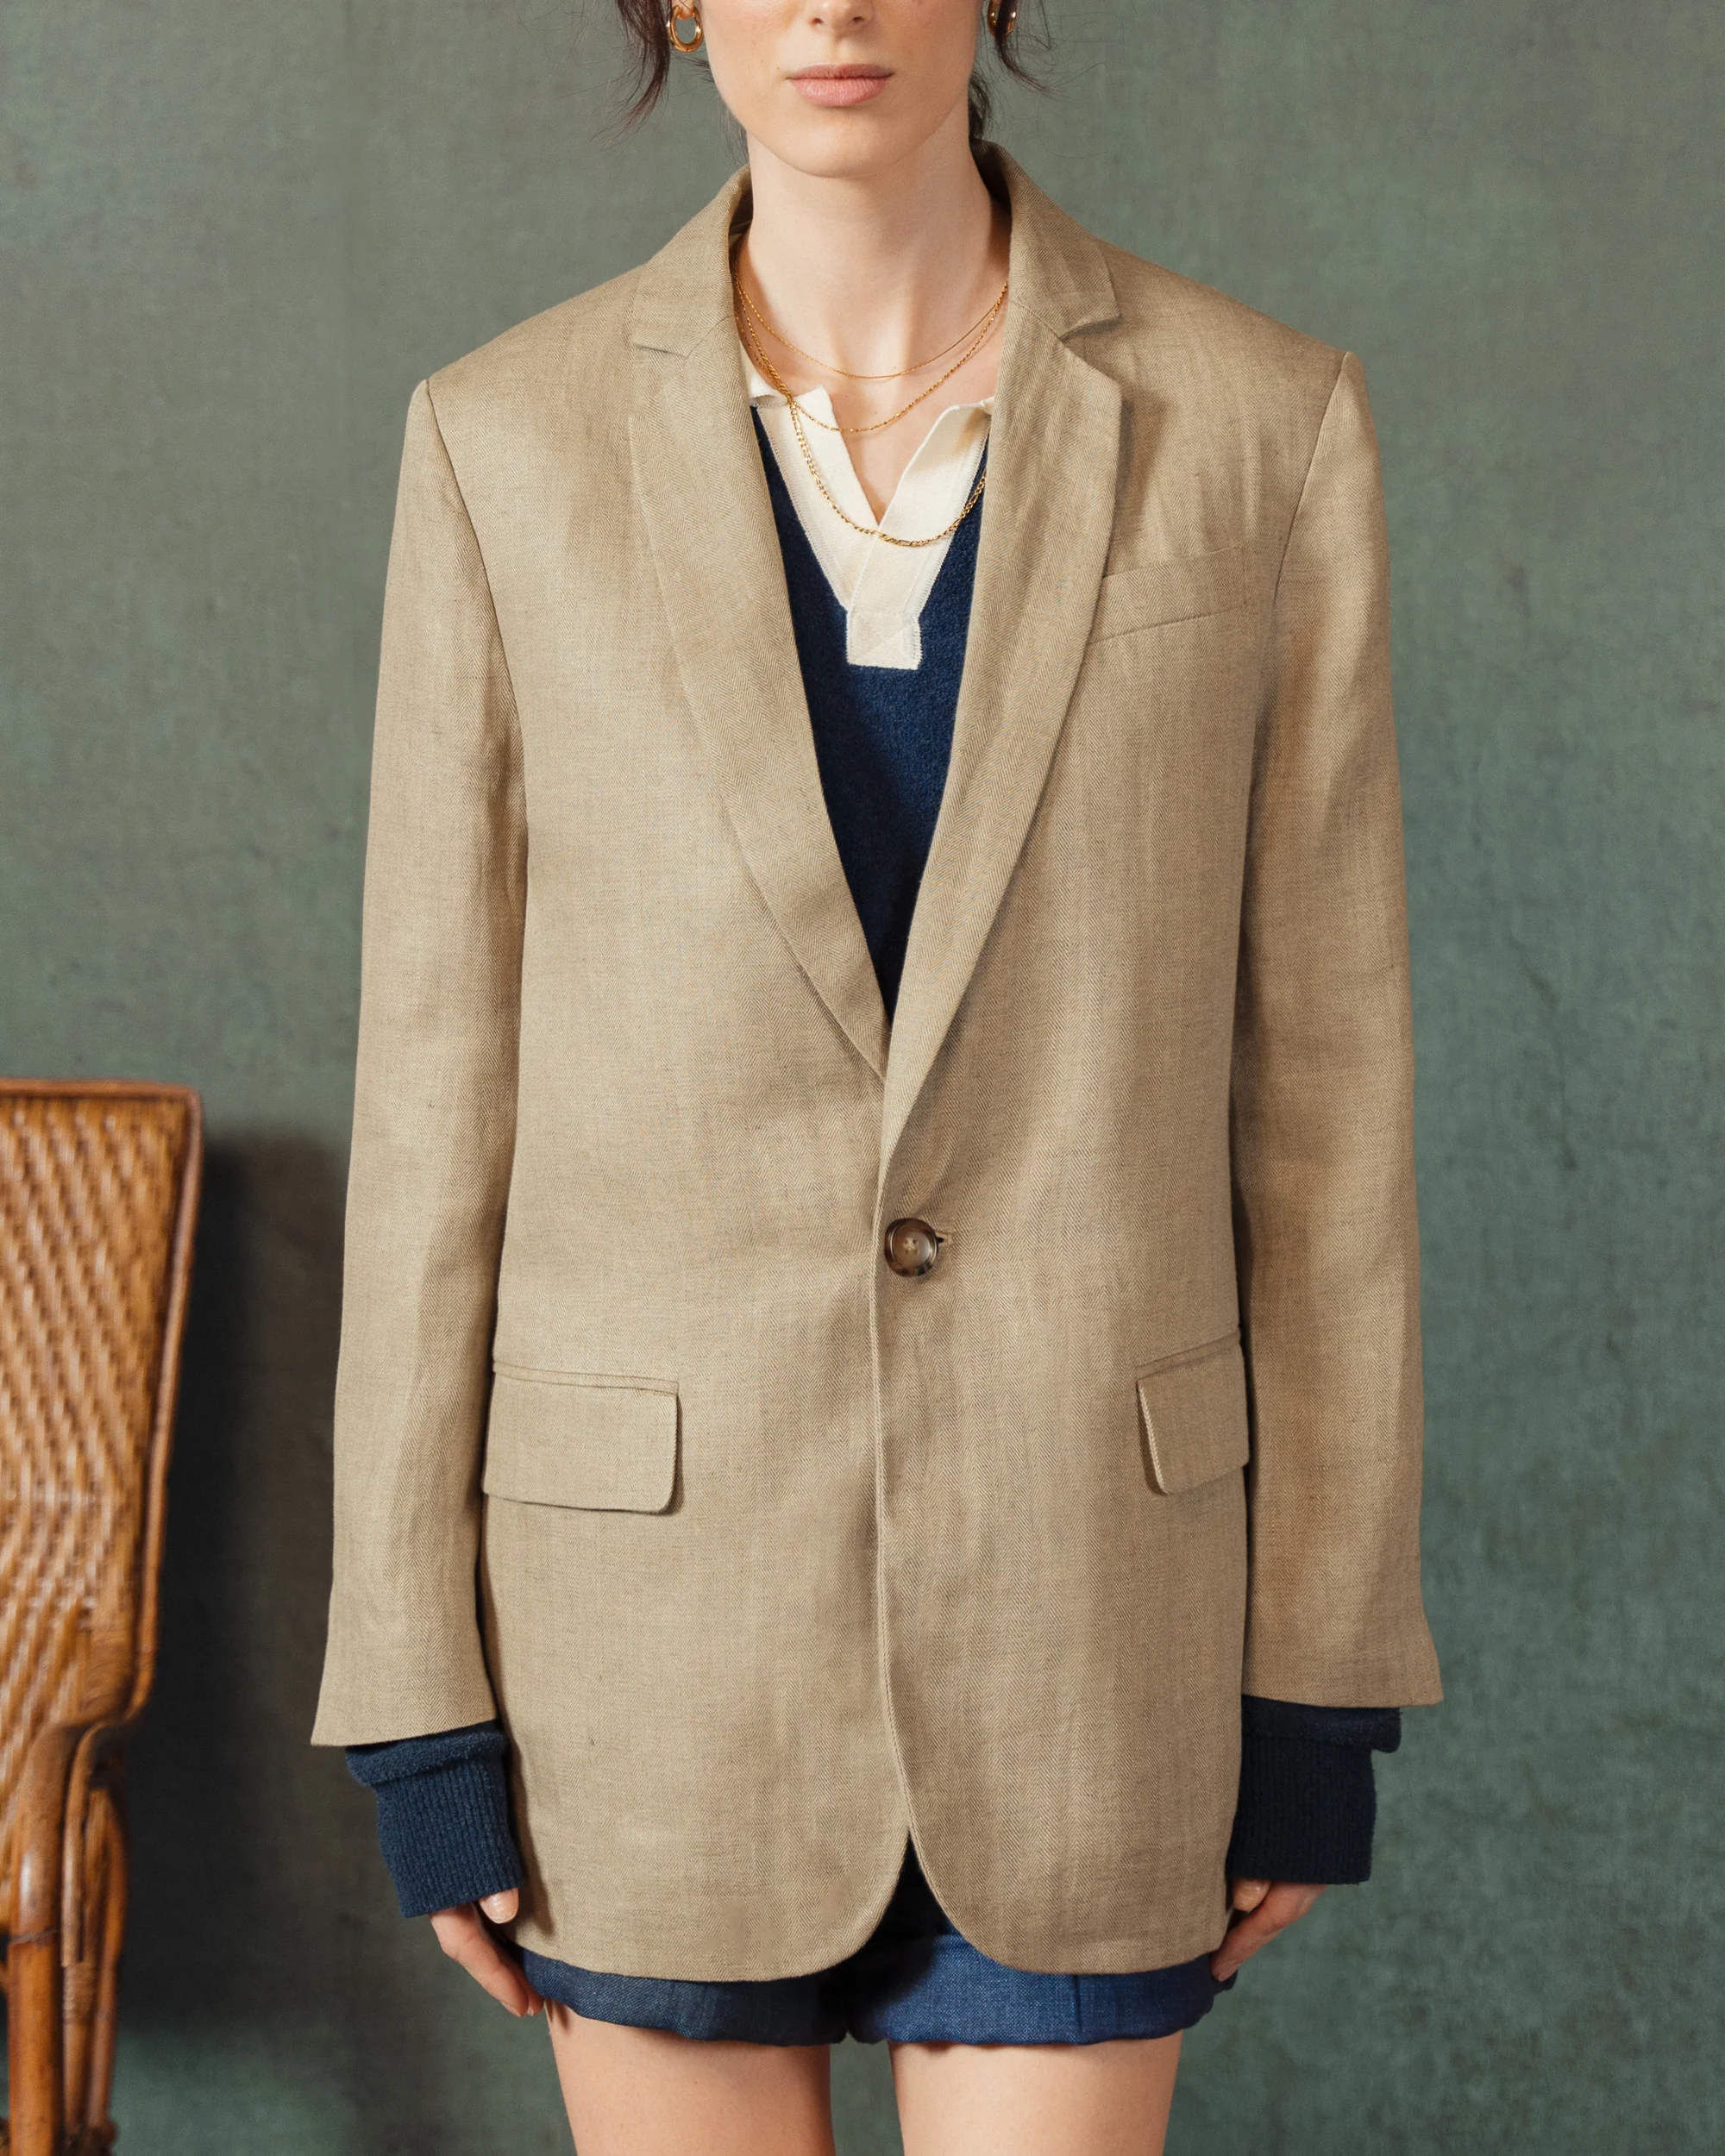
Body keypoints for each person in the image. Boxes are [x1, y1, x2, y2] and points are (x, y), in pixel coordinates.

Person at [311, 3, 1443, 2149]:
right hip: (642, 1644)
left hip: (1091, 1620)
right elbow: (435, 1111)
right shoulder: (502, 442)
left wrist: (1321, 1677)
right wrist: (415, 1700)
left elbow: (1324, 1112)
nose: (831, 6)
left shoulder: (1257, 423)